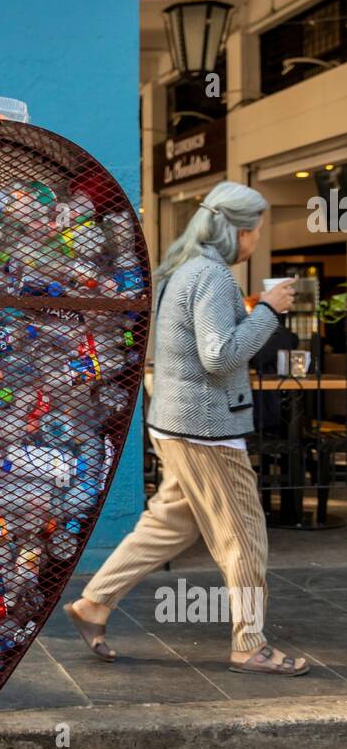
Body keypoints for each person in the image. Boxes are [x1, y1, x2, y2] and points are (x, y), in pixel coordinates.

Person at [65, 181, 308, 675]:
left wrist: (255, 309)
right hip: (208, 430)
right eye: (255, 232)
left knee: (169, 524)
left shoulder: (186, 271)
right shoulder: (214, 277)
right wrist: (269, 312)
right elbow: (219, 357)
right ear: (237, 232)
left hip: (176, 422)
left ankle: (94, 603)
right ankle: (251, 643)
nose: (256, 241)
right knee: (246, 537)